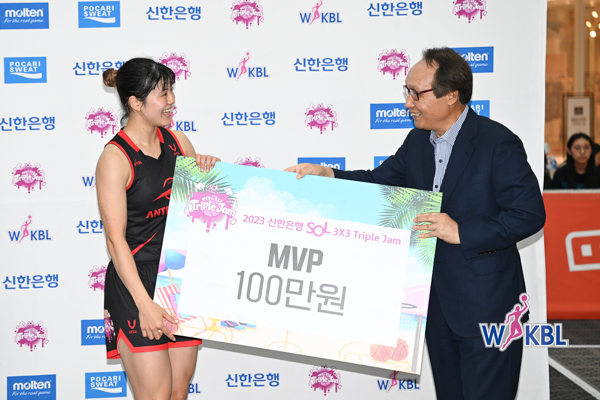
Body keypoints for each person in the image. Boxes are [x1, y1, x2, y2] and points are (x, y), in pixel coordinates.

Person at [286, 47, 546, 399]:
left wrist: (461, 231)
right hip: (434, 307)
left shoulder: (496, 142)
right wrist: (327, 174)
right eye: (406, 91)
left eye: (416, 93)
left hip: (488, 309)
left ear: (451, 95)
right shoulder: (417, 142)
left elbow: (529, 214)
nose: (408, 103)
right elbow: (379, 184)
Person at [96, 58, 220, 400]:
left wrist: (209, 173)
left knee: (177, 393)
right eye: (163, 94)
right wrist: (145, 303)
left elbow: (202, 214)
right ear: (136, 103)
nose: (171, 101)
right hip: (135, 282)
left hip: (178, 278)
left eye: (171, 91)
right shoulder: (115, 158)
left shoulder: (179, 142)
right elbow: (115, 241)